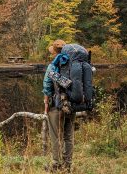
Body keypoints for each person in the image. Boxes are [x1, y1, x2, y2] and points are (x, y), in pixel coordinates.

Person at [42, 39, 75, 172]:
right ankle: (67, 165)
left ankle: (56, 165)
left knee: (56, 135)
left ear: (55, 52)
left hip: (56, 105)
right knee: (68, 135)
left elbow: (47, 86)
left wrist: (46, 104)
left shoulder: (52, 66)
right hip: (72, 105)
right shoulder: (73, 65)